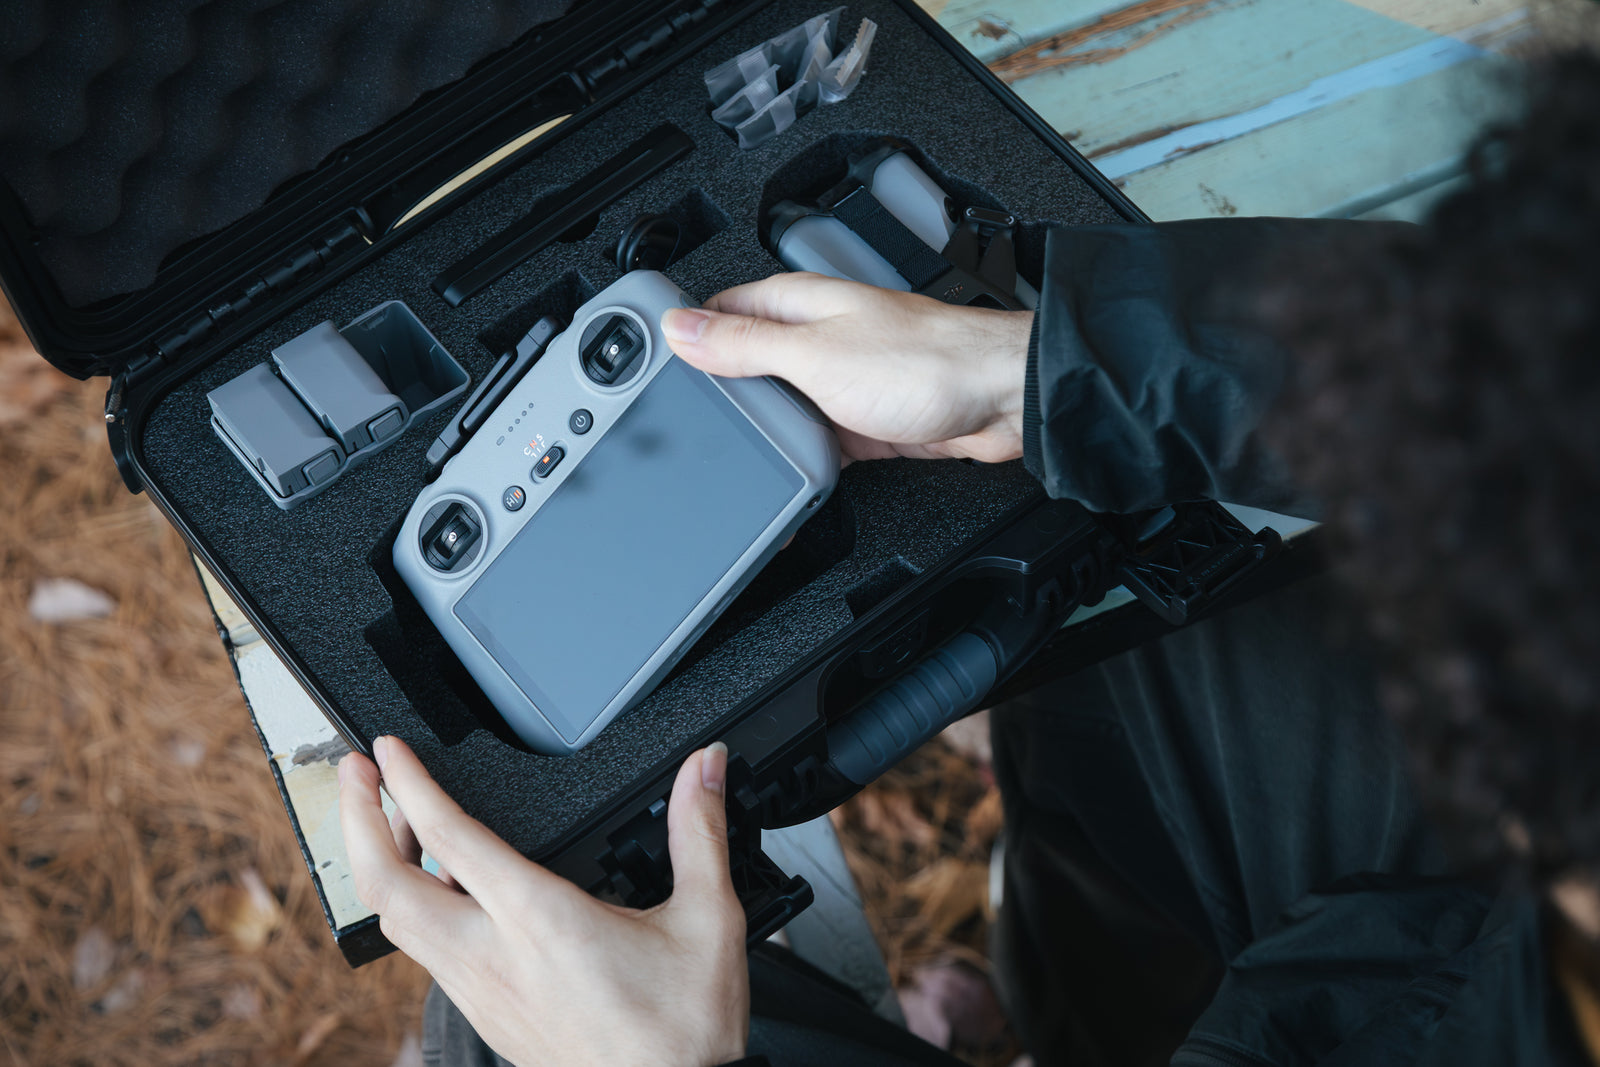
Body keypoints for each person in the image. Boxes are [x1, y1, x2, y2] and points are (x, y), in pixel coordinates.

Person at [336, 48, 1600, 1067]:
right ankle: (1082, 1002)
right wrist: (1021, 371)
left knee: (512, 1020)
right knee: (1132, 584)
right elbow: (1536, 393)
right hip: (1467, 938)